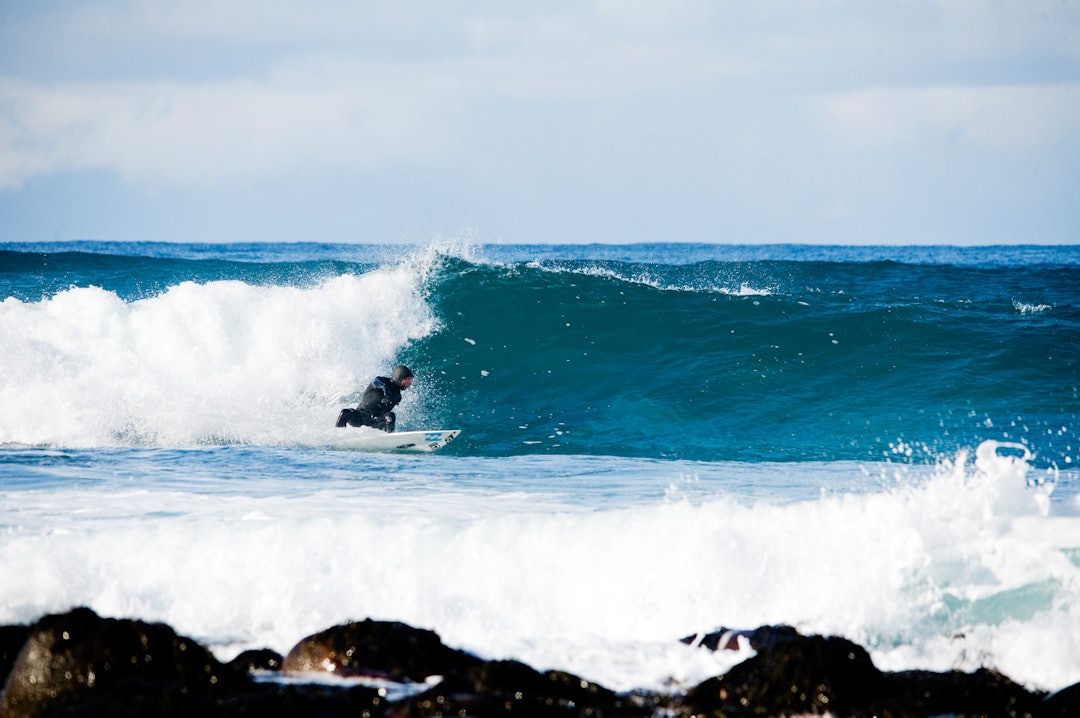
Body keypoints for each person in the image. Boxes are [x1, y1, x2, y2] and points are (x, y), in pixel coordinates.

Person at [335, 365, 413, 433]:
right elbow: (376, 383)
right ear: (399, 377)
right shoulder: (380, 380)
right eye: (408, 379)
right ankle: (337, 435)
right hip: (360, 417)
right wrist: (386, 392)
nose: (410, 382)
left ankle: (389, 437)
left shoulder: (397, 397)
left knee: (390, 416)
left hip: (374, 421)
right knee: (345, 412)